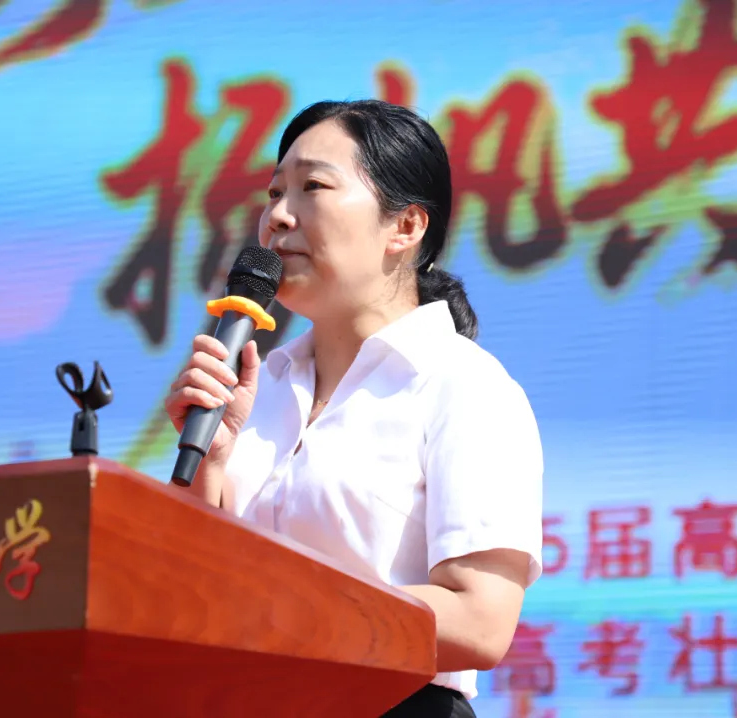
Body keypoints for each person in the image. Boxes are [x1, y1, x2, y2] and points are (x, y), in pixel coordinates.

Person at [164, 99, 544, 717]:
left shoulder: (462, 383)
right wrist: (208, 465)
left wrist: (281, 605)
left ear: (406, 227)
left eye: (312, 187)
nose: (277, 216)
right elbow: (183, 593)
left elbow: (479, 620)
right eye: (273, 193)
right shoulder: (255, 390)